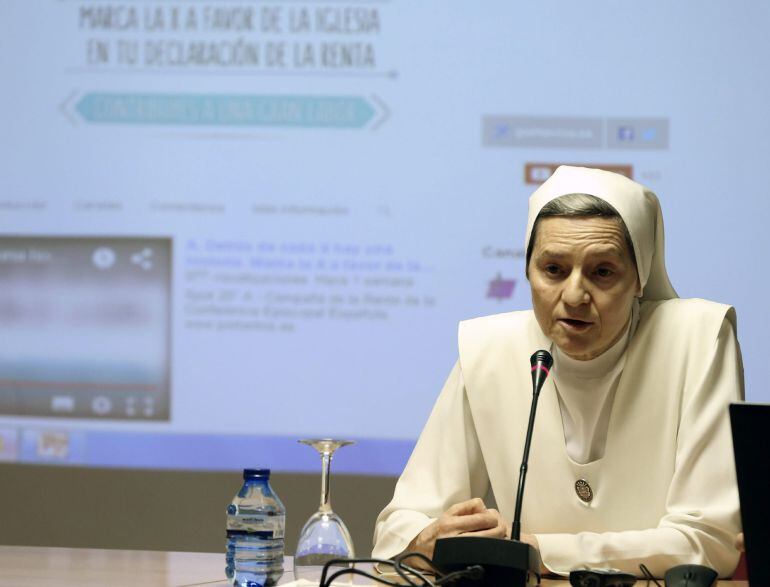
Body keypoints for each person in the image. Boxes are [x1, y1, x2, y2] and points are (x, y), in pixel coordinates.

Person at [372, 166, 744, 578]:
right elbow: (396, 526)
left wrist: (534, 550)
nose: (574, 296)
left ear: (640, 277)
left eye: (602, 272)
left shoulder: (697, 338)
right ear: (528, 270)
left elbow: (709, 540)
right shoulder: (490, 349)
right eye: (553, 270)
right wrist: (426, 538)